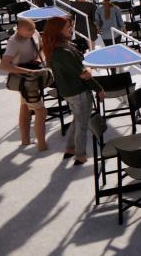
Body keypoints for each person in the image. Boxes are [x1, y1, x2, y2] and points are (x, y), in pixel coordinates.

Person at [42, 17, 104, 165]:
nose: (71, 29)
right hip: (78, 92)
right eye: (68, 27)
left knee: (77, 120)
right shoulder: (64, 51)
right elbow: (84, 75)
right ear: (58, 30)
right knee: (82, 125)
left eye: (71, 26)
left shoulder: (53, 47)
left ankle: (70, 148)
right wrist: (99, 88)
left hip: (68, 92)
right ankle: (80, 155)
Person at [0, 19, 49, 151]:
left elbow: (42, 47)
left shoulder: (34, 33)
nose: (33, 32)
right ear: (19, 29)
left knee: (25, 107)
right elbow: (4, 65)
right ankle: (42, 145)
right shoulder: (13, 42)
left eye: (33, 29)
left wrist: (39, 59)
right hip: (25, 81)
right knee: (41, 110)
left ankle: (25, 140)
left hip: (32, 77)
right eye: (29, 30)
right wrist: (28, 71)